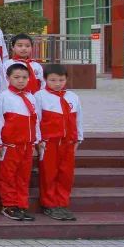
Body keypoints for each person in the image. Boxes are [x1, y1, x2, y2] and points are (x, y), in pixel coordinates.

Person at [0, 64, 43, 221]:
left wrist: (37, 140)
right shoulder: (3, 97)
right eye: (16, 77)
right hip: (10, 146)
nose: (21, 81)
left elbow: (36, 121)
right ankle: (9, 205)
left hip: (26, 146)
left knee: (23, 176)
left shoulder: (31, 97)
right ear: (8, 78)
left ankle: (21, 204)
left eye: (24, 78)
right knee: (7, 176)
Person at [34, 64, 83, 221]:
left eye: (61, 80)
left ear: (66, 79)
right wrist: (38, 139)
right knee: (49, 174)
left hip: (68, 142)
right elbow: (36, 120)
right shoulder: (39, 96)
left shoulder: (73, 97)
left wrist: (78, 138)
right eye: (53, 80)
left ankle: (62, 203)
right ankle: (49, 204)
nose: (57, 83)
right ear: (45, 80)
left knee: (66, 174)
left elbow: (78, 119)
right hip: (49, 143)